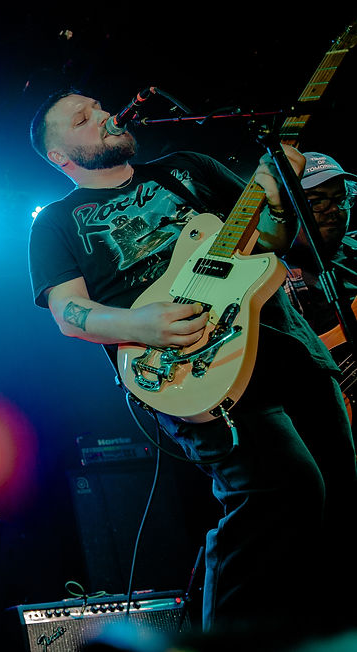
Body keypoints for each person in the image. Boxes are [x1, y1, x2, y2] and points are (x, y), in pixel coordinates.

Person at [27, 90, 357, 639]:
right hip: (190, 365)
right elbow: (68, 311)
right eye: (83, 120)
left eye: (99, 106)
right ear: (61, 157)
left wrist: (277, 197)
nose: (105, 116)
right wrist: (140, 325)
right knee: (280, 489)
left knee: (340, 497)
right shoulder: (56, 223)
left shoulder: (188, 170)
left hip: (286, 344)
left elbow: (274, 241)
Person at [282, 152, 357, 337]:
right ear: (284, 208)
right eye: (316, 201)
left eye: (340, 198)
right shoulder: (273, 277)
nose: (333, 209)